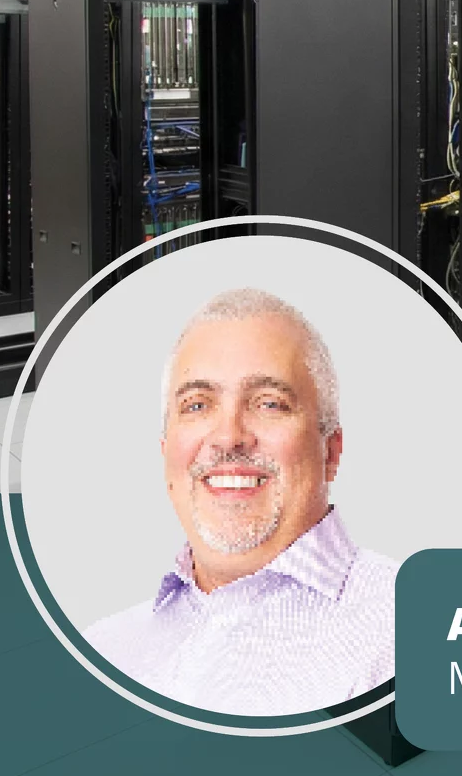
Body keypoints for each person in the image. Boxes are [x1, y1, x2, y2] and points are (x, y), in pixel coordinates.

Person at [83, 288, 398, 716]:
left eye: (269, 403)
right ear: (165, 452)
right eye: (197, 405)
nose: (229, 436)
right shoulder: (106, 643)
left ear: (331, 451)